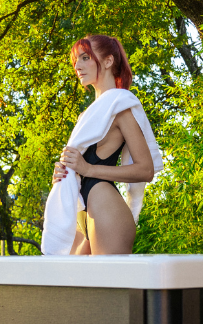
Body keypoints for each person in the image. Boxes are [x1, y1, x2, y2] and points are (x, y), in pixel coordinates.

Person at [46, 35, 161, 255]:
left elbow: (146, 169)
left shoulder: (120, 106)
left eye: (85, 58)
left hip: (105, 205)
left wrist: (87, 169)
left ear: (108, 61)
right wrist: (65, 172)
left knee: (108, 288)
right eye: (76, 61)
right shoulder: (86, 115)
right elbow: (80, 165)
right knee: (74, 287)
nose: (77, 66)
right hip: (81, 208)